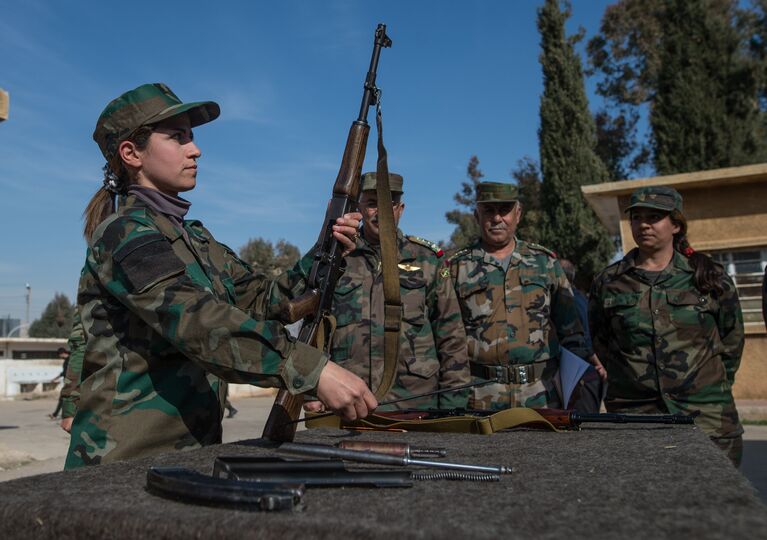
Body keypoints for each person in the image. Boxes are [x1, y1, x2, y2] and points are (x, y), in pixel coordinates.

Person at [66, 83, 377, 468]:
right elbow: (194, 320)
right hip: (124, 460)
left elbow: (265, 299)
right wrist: (309, 368)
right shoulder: (124, 232)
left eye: (192, 137)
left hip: (189, 453)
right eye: (177, 137)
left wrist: (326, 249)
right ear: (131, 153)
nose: (194, 149)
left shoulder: (193, 236)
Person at [589, 186, 744, 466]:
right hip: (635, 417)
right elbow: (601, 341)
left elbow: (732, 340)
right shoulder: (608, 282)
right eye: (637, 217)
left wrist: (709, 386)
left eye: (654, 217)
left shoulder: (708, 277)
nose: (644, 224)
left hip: (707, 417)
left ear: (675, 224)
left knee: (718, 504)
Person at [299, 172, 470, 410]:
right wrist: (310, 391)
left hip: (415, 403)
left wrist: (454, 404)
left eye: (388, 203)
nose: (380, 211)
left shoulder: (427, 261)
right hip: (347, 401)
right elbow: (313, 326)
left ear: (400, 208)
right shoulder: (337, 256)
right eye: (371, 203)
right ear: (359, 208)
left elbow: (451, 336)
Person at [448, 182, 593, 411]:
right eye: (489, 211)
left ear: (518, 214)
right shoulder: (456, 268)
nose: (497, 218)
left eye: (504, 210)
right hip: (480, 397)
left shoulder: (545, 263)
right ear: (477, 215)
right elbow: (447, 338)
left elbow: (571, 331)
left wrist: (578, 383)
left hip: (542, 393)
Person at [48, 347, 71, 419]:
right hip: (69, 382)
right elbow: (63, 373)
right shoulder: (69, 360)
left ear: (62, 353)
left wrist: (56, 378)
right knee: (64, 398)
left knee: (63, 398)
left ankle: (55, 415)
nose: (60, 357)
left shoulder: (69, 360)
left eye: (59, 355)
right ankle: (56, 414)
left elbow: (65, 373)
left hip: (70, 383)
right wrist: (56, 378)